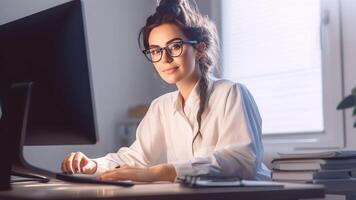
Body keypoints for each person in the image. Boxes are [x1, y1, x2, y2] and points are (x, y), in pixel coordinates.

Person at [61, 0, 271, 182]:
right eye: (156, 51)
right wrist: (93, 165)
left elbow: (242, 160)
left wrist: (162, 171)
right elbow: (136, 158)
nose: (165, 59)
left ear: (199, 48)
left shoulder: (231, 93)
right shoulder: (161, 107)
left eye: (175, 46)